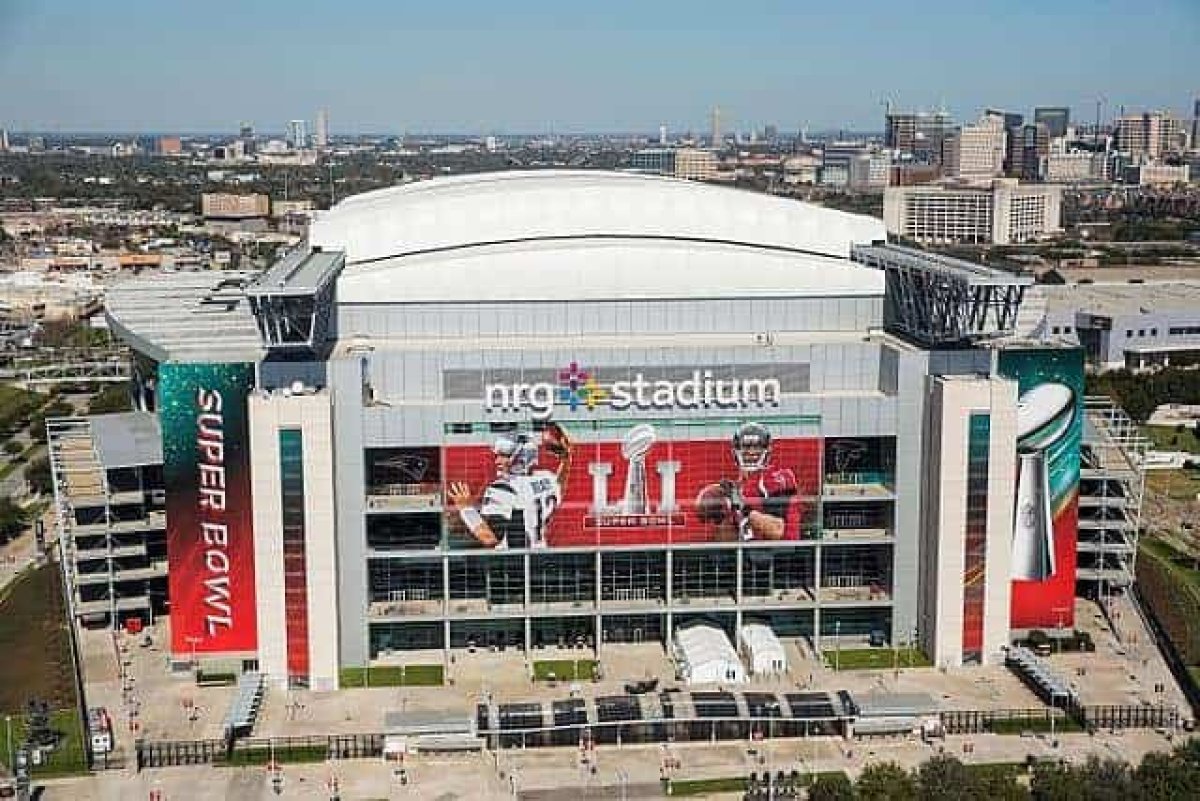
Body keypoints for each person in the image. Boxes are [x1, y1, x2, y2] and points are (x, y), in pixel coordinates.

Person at [447, 422, 572, 549]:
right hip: (540, 554)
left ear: (522, 456)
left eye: (505, 456)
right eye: (498, 455)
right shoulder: (546, 478)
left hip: (514, 558)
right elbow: (559, 487)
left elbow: (490, 539)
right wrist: (566, 459)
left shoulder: (503, 487)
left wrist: (466, 508)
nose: (497, 461)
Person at [694, 422, 802, 541]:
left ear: (767, 450)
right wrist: (722, 516)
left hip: (783, 551)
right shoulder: (735, 490)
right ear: (735, 451)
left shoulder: (776, 478)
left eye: (757, 447)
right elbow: (730, 540)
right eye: (746, 447)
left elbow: (778, 531)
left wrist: (743, 506)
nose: (751, 452)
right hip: (750, 551)